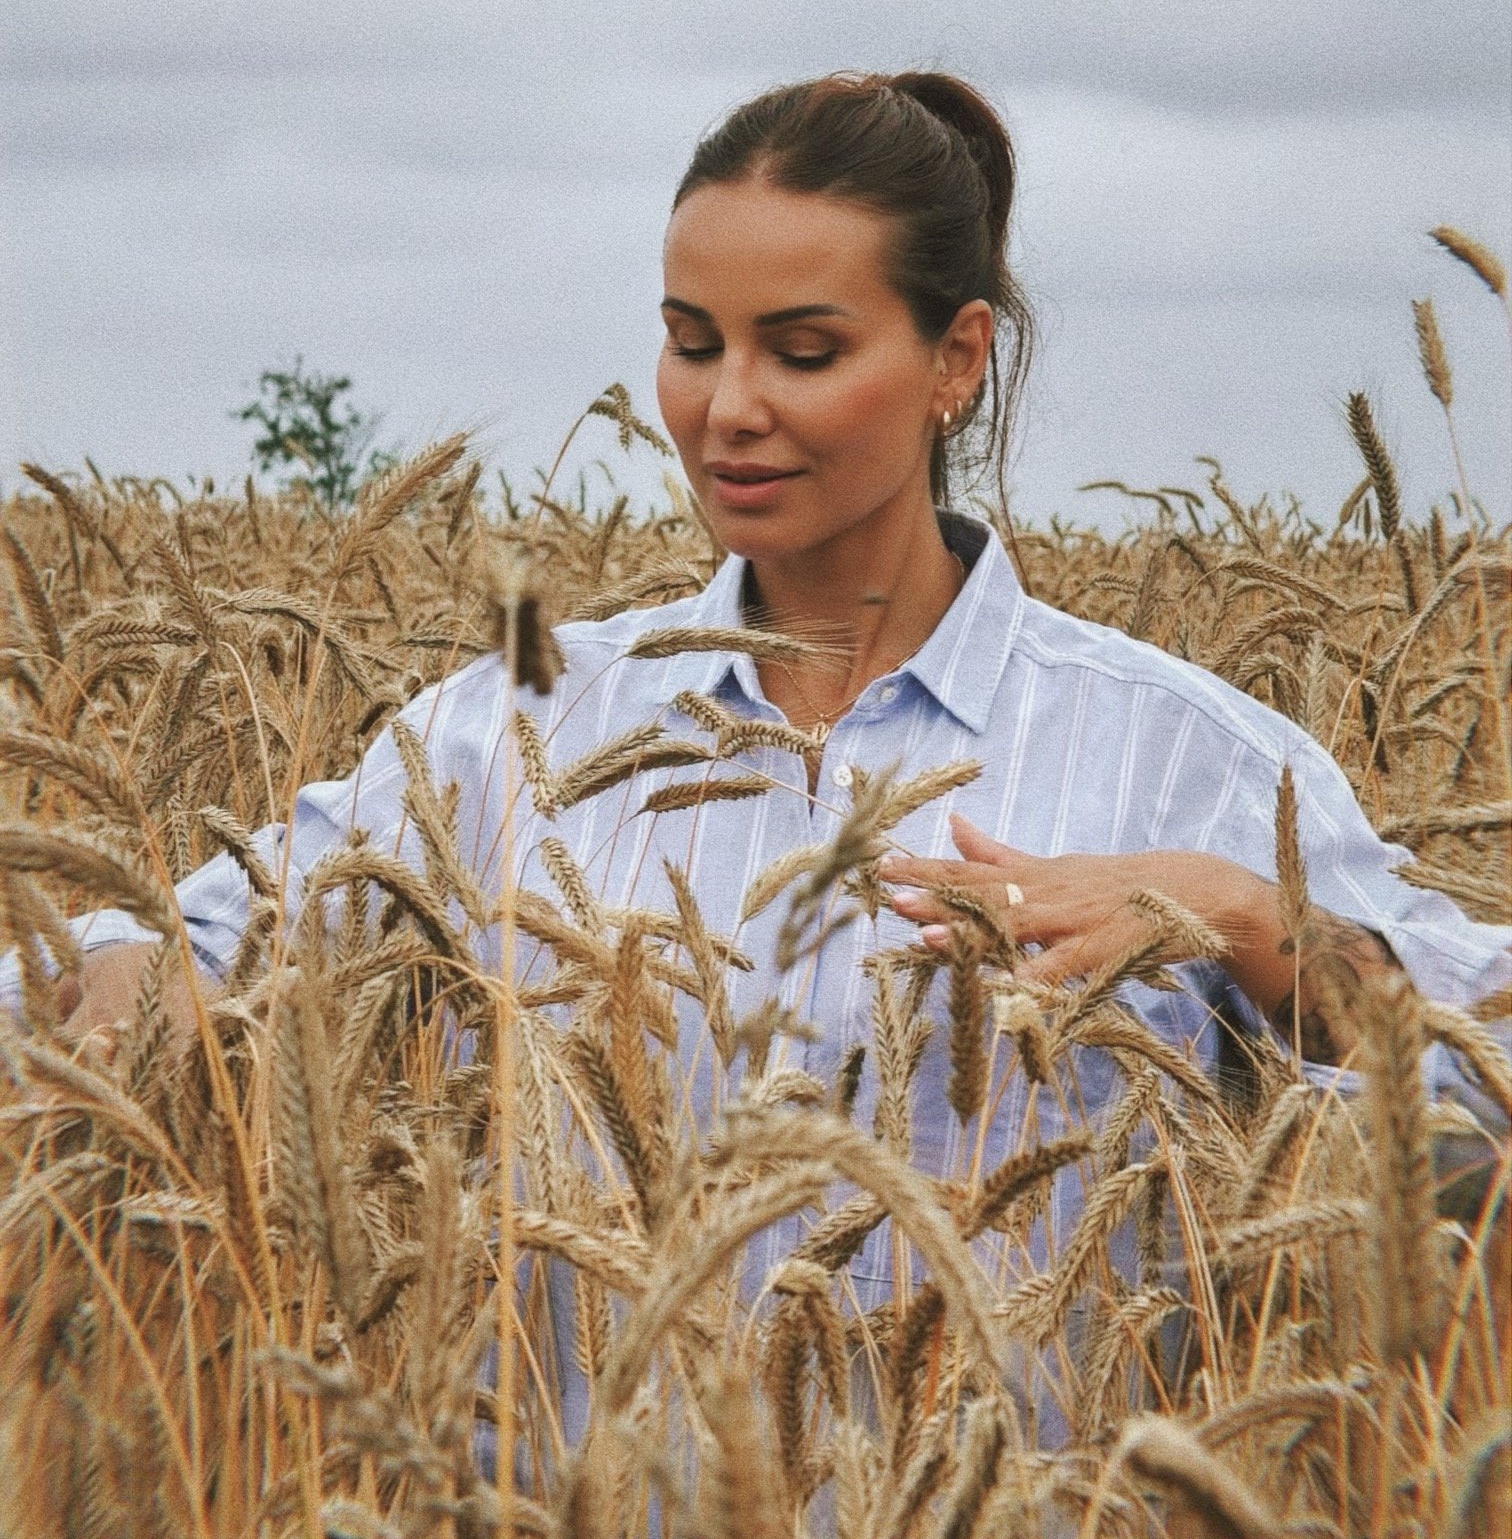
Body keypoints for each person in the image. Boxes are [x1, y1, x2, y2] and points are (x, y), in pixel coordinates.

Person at [26, 72, 1511, 1290]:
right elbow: (187, 953)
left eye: (803, 350)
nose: (727, 409)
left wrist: (1243, 917)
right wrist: (107, 1014)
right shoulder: (528, 726)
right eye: (691, 344)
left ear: (957, 359)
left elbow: (1475, 1102)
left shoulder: (1191, 760)